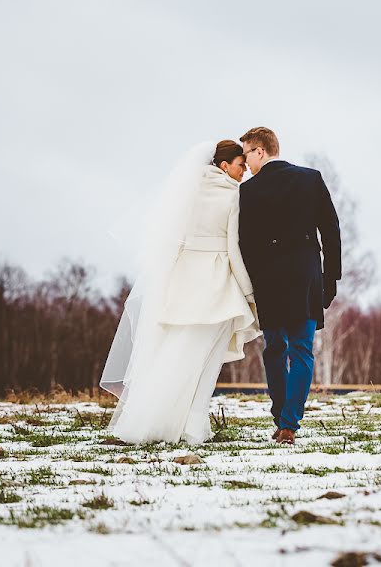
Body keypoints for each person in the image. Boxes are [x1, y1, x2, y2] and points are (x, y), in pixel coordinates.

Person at [99, 140, 261, 444]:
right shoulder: (234, 196)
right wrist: (250, 293)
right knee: (207, 365)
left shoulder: (185, 193)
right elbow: (233, 251)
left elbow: (170, 245)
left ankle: (149, 421)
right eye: (241, 165)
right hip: (216, 287)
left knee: (176, 356)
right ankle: (192, 428)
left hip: (182, 286)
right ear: (225, 166)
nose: (244, 172)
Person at [238, 127, 341, 445]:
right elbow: (331, 229)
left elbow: (245, 244)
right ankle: (289, 424)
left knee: (275, 350)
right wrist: (330, 277)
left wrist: (250, 285)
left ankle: (281, 416)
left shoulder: (248, 191)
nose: (245, 164)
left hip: (268, 280)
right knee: (301, 349)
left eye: (246, 155)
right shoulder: (311, 178)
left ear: (260, 151)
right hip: (305, 275)